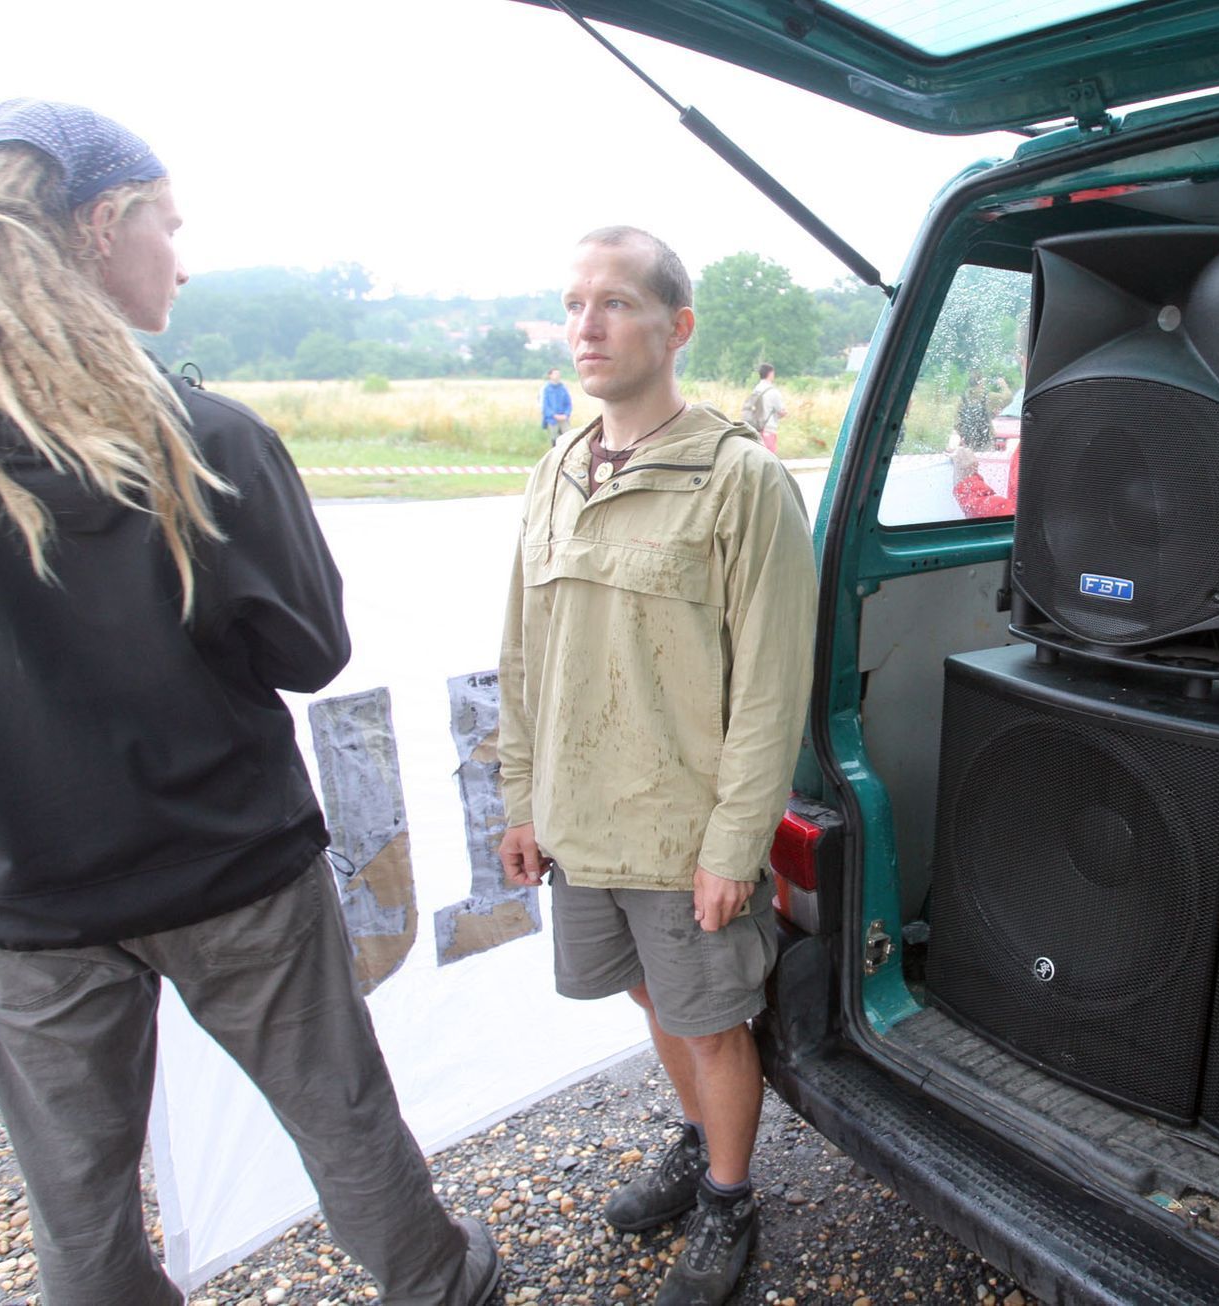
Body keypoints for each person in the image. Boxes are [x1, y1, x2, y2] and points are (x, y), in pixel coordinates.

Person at [0, 100, 499, 1306]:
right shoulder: (201, 433)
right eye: (170, 225)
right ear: (101, 224)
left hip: (30, 897)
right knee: (344, 1123)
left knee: (78, 1209)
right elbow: (309, 647)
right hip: (234, 872)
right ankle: (441, 1286)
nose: (183, 252)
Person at [497, 226, 815, 1306]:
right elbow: (521, 654)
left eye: (617, 302)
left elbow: (772, 688)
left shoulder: (739, 480)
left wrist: (736, 843)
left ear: (676, 327)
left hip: (687, 841)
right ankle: (694, 1142)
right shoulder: (555, 470)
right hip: (585, 826)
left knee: (711, 1019)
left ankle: (730, 1198)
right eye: (575, 302)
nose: (587, 324)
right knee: (649, 996)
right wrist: (520, 798)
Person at [741, 361, 787, 454]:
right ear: (770, 373)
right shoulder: (773, 391)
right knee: (770, 458)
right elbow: (781, 411)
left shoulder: (756, 389)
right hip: (768, 428)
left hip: (755, 428)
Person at [540, 365, 573, 442]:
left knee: (568, 439)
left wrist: (566, 414)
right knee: (554, 439)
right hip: (552, 419)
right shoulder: (545, 389)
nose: (557, 375)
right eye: (555, 374)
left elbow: (568, 403)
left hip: (564, 418)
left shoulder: (563, 388)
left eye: (558, 374)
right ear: (550, 375)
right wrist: (554, 415)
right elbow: (544, 405)